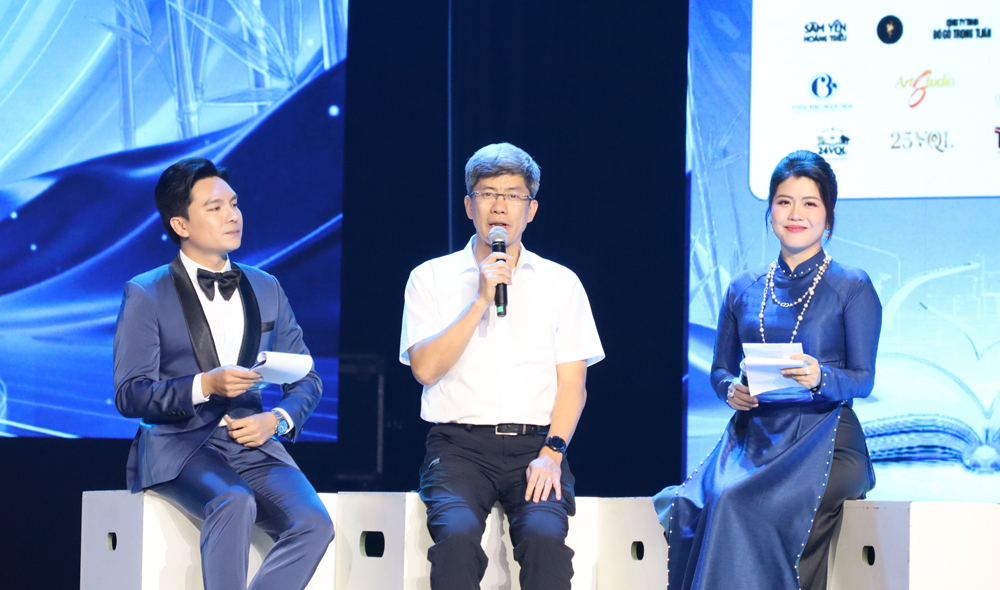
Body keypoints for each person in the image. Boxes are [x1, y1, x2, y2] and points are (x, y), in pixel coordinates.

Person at [656, 150, 880, 590]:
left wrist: (822, 377)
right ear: (770, 212)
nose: (796, 214)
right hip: (752, 438)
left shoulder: (852, 285)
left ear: (828, 216)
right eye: (784, 202)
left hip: (826, 437)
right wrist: (731, 390)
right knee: (706, 503)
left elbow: (864, 379)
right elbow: (720, 370)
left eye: (810, 203)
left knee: (741, 504)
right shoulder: (744, 287)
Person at [113, 158, 334, 590]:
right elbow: (130, 394)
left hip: (254, 442)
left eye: (233, 204)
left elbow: (307, 377)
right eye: (214, 208)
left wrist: (277, 420)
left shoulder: (266, 286)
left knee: (314, 524)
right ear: (181, 224)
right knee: (234, 500)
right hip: (181, 444)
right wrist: (205, 385)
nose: (232, 215)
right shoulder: (146, 292)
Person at [400, 142, 604, 590]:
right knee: (456, 537)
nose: (499, 206)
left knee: (545, 537)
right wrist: (480, 299)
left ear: (531, 210)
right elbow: (425, 370)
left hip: (537, 446)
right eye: (488, 193)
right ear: (468, 205)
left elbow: (573, 384)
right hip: (458, 448)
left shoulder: (561, 283)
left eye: (513, 195)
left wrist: (553, 453)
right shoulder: (429, 278)